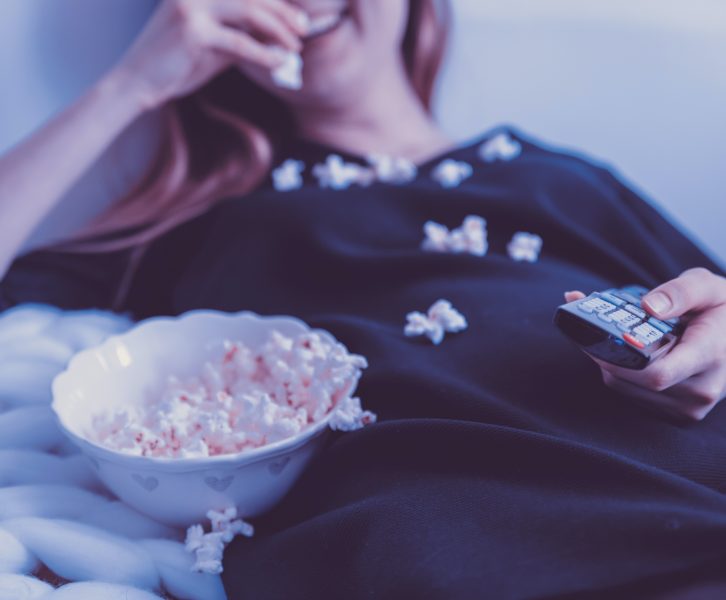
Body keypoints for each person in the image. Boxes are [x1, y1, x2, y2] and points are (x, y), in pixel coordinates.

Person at [1, 0, 725, 597]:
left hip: (684, 484)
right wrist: (132, 85)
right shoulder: (213, 215)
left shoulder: (563, 179)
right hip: (458, 537)